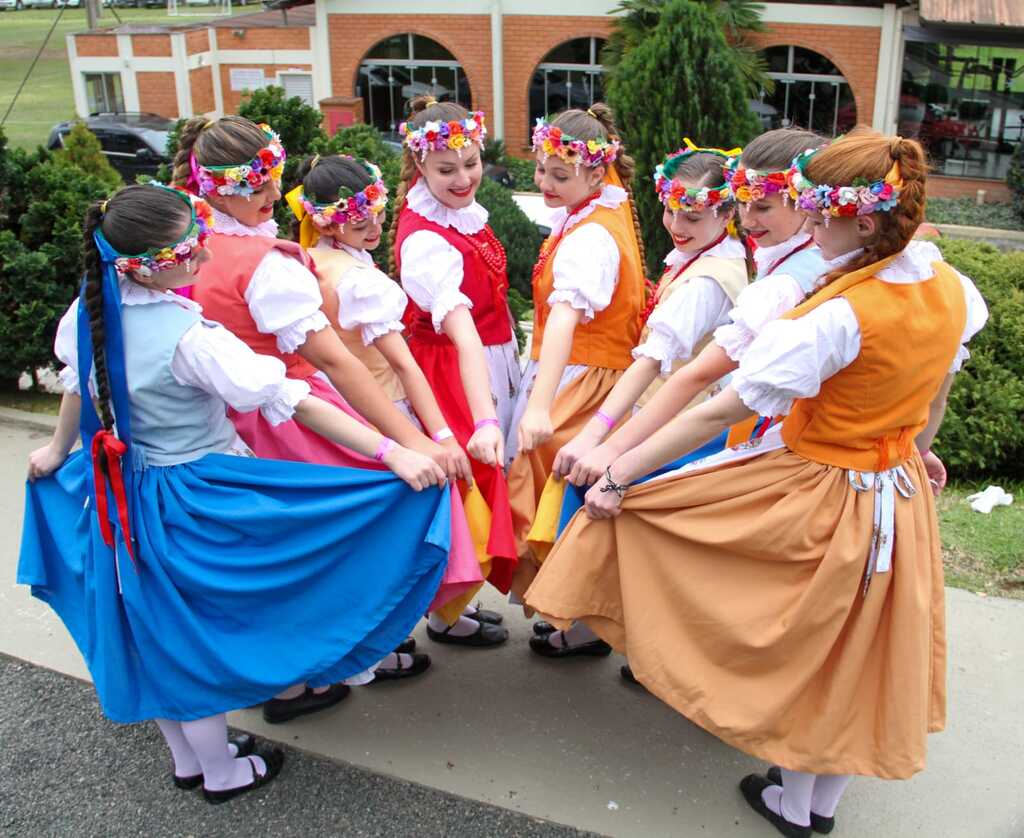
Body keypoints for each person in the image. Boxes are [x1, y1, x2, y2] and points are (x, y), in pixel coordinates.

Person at [524, 129, 988, 836]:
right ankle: (815, 804)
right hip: (898, 495)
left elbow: (726, 402)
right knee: (862, 650)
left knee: (812, 651)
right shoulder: (949, 287)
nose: (804, 221)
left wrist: (618, 472)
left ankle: (796, 807)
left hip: (824, 493)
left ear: (860, 221)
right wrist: (914, 450)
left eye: (814, 211)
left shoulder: (835, 314)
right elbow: (937, 394)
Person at [19, 184, 450, 803]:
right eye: (190, 244)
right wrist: (391, 451)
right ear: (152, 264)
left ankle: (189, 761)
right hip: (191, 499)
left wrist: (57, 452)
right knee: (197, 639)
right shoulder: (191, 335)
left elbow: (76, 390)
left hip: (115, 497)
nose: (204, 251)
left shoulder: (85, 315)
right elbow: (291, 398)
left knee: (149, 628)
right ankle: (219, 770)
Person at [505, 105, 645, 657]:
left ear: (595, 172)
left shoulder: (591, 237)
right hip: (584, 372)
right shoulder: (600, 216)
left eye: (560, 175)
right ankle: (578, 617)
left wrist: (540, 406)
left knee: (563, 497)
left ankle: (585, 620)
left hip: (580, 379)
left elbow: (565, 314)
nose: (544, 183)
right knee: (565, 500)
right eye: (541, 170)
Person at [392, 98, 521, 646]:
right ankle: (437, 610)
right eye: (447, 169)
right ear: (419, 166)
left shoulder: (460, 217)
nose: (465, 177)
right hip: (449, 368)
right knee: (465, 484)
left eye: (471, 162)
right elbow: (460, 331)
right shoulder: (424, 237)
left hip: (486, 355)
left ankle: (447, 611)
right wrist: (485, 414)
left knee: (474, 486)